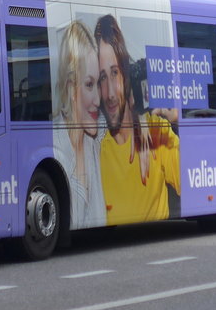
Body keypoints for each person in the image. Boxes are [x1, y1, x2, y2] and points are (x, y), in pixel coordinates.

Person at [93, 13, 180, 226]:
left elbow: (196, 181)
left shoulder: (154, 128)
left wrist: (178, 120)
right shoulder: (96, 151)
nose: (110, 93)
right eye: (103, 77)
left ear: (125, 75)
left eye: (114, 73)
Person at [51, 20, 106, 228]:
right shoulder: (54, 145)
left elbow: (125, 117)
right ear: (71, 86)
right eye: (89, 84)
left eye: (98, 84)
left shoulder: (96, 138)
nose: (98, 100)